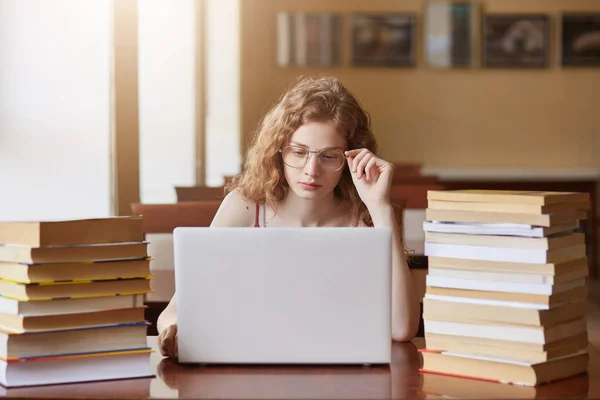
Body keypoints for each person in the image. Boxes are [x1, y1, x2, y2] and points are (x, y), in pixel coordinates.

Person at [157, 76, 420, 358]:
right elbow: (174, 312)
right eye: (298, 152)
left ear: (350, 160)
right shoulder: (245, 208)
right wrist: (174, 330)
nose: (311, 170)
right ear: (278, 151)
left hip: (339, 375)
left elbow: (402, 328)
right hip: (249, 368)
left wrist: (379, 207)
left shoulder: (364, 220)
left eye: (329, 156)